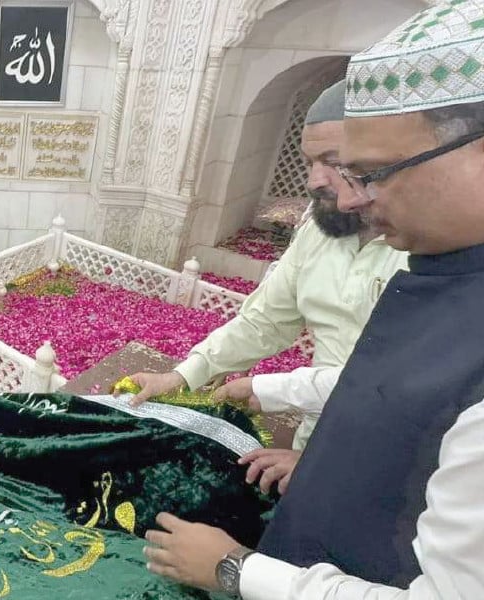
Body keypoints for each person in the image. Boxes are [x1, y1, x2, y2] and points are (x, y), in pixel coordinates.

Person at [143, 2, 484, 598]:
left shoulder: (430, 253)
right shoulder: (444, 263)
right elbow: (389, 386)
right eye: (319, 163)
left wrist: (236, 571)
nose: (343, 193)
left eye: (364, 170)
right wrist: (209, 379)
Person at [130, 80, 408, 453]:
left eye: (334, 162)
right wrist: (183, 376)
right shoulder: (319, 231)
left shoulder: (433, 250)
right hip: (316, 439)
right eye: (311, 163)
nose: (314, 181)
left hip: (398, 454)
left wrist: (271, 390)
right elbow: (266, 321)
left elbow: (403, 380)